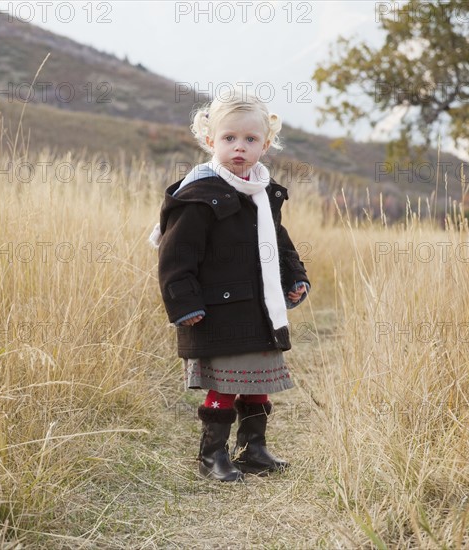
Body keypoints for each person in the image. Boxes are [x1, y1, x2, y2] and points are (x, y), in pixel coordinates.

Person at [149, 89, 311, 482]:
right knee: (225, 384)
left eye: (250, 140)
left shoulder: (263, 193)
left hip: (259, 309)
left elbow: (279, 242)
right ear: (210, 141)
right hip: (219, 310)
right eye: (229, 138)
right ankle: (212, 456)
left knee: (258, 382)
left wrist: (296, 277)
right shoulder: (198, 196)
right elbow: (176, 256)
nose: (240, 147)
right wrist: (184, 304)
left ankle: (253, 449)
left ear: (265, 145)